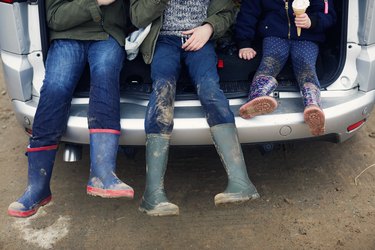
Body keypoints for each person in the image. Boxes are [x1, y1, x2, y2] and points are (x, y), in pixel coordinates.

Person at [130, 0, 260, 217]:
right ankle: (152, 195)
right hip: (163, 41)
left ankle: (242, 183)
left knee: (210, 89)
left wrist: (208, 28)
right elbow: (137, 17)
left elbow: (227, 12)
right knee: (162, 91)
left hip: (200, 39)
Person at [8, 0, 134, 218]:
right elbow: (54, 17)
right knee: (55, 88)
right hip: (66, 36)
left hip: (108, 35)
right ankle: (37, 188)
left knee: (105, 74)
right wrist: (97, 3)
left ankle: (103, 174)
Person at [235, 0, 336, 136]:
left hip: (307, 36)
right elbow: (248, 13)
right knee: (270, 61)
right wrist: (244, 42)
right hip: (274, 33)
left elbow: (328, 14)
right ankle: (257, 97)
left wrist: (312, 21)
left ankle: (312, 105)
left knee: (305, 64)